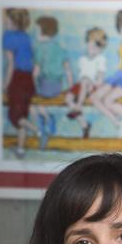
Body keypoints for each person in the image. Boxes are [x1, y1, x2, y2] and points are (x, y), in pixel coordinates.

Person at [91, 10, 122, 133]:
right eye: (121, 28)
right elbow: (121, 63)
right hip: (118, 75)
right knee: (94, 97)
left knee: (108, 100)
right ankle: (115, 121)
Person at [2, 8, 39, 158]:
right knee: (22, 114)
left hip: (17, 79)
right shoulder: (26, 37)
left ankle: (37, 130)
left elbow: (11, 64)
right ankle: (21, 149)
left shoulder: (8, 37)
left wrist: (5, 85)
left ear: (14, 23)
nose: (5, 22)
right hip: (28, 79)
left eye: (8, 20)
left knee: (14, 116)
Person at [31, 15, 73, 148]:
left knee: (34, 104)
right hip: (58, 86)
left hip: (45, 86)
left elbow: (36, 72)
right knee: (38, 103)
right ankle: (47, 123)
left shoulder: (40, 49)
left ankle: (46, 121)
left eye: (36, 30)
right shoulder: (61, 49)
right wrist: (70, 88)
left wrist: (33, 83)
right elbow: (68, 71)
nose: (35, 33)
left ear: (43, 31)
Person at [65, 26, 108, 138]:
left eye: (96, 46)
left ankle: (78, 107)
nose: (93, 48)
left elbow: (100, 78)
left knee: (85, 81)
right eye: (91, 44)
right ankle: (84, 125)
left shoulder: (100, 59)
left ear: (101, 48)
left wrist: (94, 84)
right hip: (81, 86)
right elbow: (80, 77)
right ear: (87, 43)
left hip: (92, 87)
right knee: (68, 98)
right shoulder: (82, 59)